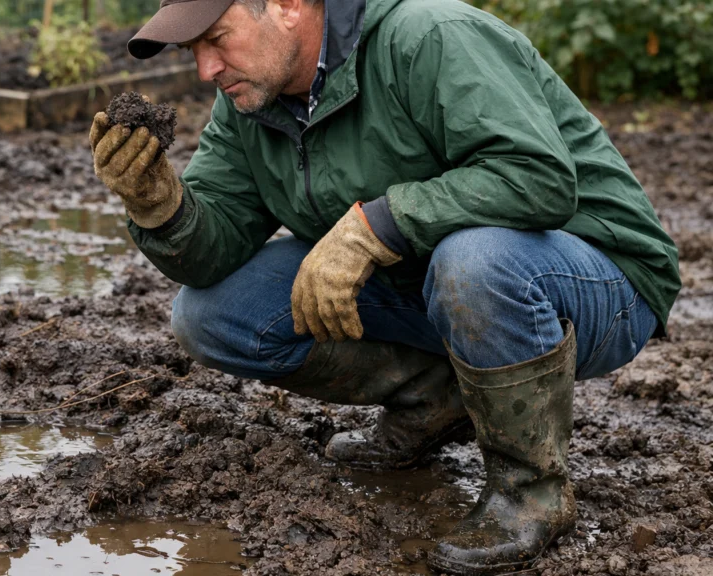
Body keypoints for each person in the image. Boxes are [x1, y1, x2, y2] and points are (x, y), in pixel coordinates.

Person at [88, 0, 681, 573]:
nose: (205, 68)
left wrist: (377, 224)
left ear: (288, 5)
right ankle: (435, 399)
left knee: (473, 260)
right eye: (194, 49)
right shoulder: (249, 104)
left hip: (598, 275)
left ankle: (531, 494)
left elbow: (541, 179)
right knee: (211, 313)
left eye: (217, 39)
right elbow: (212, 251)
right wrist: (159, 207)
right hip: (435, 282)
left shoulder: (430, 35)